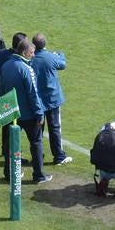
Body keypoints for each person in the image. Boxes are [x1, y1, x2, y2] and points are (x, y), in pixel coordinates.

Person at [0, 33, 50, 184]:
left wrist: (4, 111)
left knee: (9, 145)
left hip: (11, 113)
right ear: (24, 53)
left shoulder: (5, 66)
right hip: (27, 115)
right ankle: (39, 175)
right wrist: (39, 114)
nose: (33, 56)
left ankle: (9, 174)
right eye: (32, 53)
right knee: (36, 143)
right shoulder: (26, 69)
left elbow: (1, 90)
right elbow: (33, 94)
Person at [31, 33, 70, 166]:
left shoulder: (30, 59)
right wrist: (60, 54)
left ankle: (38, 157)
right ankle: (59, 156)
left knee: (38, 131)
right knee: (55, 128)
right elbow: (63, 64)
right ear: (45, 43)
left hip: (37, 101)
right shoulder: (50, 57)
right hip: (52, 99)